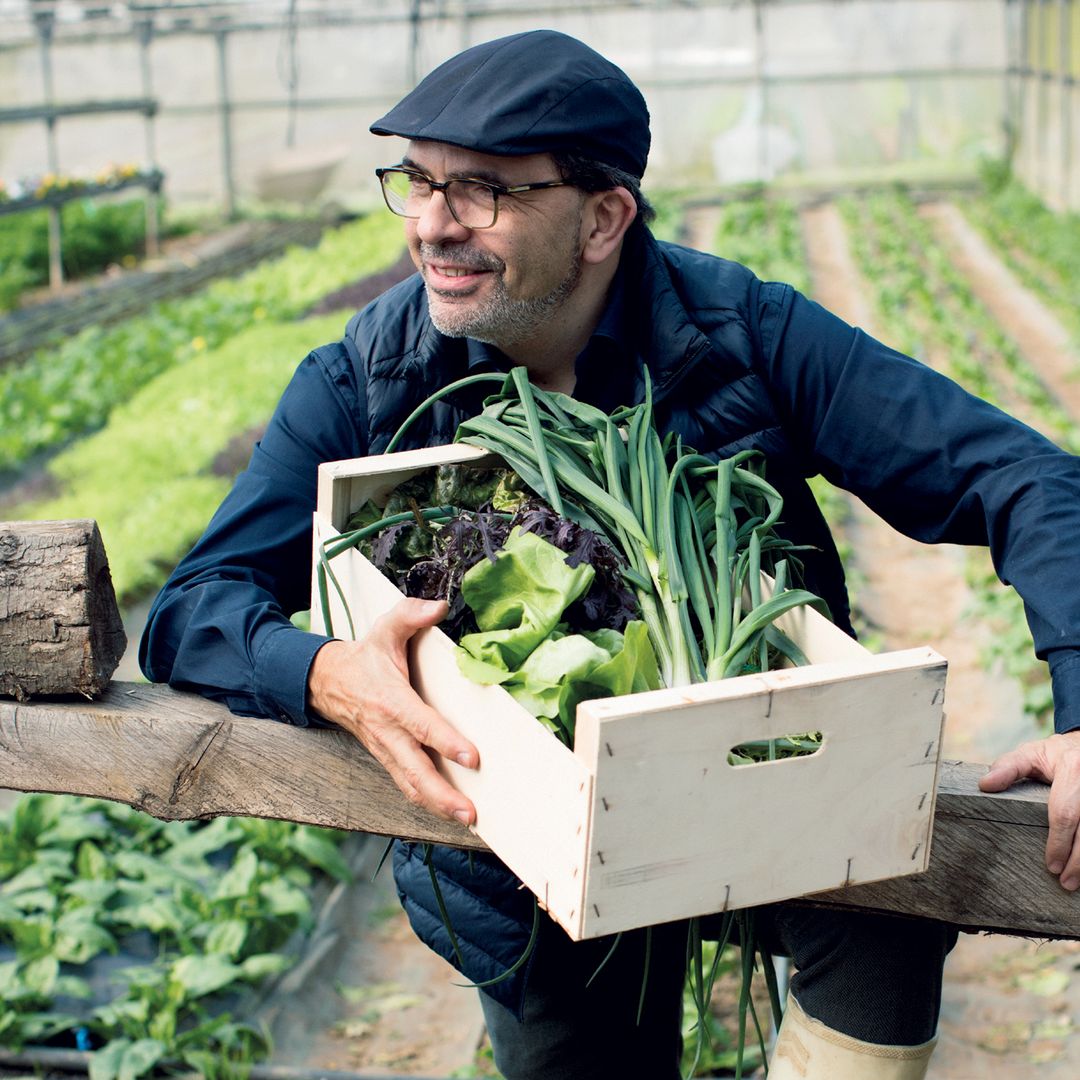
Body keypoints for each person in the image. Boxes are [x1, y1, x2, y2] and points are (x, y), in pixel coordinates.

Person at [140, 29, 1080, 1080]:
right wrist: (326, 674)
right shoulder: (371, 379)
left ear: (602, 218)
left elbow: (1027, 478)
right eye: (418, 181)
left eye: (482, 190)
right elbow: (193, 606)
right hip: (519, 866)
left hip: (774, 796)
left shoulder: (740, 333)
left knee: (883, 941)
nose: (433, 225)